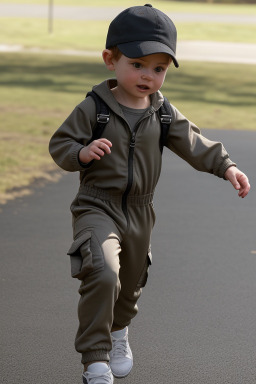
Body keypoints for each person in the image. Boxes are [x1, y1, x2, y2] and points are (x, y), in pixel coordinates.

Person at [49, 4, 250, 383]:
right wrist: (81, 152)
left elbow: (195, 143)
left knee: (130, 280)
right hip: (97, 204)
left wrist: (227, 166)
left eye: (158, 69)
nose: (148, 76)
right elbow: (61, 144)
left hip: (141, 213)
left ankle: (119, 329)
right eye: (138, 64)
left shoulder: (162, 112)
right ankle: (95, 359)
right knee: (103, 270)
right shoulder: (95, 109)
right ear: (110, 59)